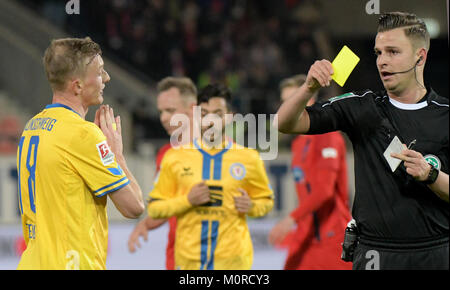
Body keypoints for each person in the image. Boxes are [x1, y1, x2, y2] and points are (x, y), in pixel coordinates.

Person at [275, 12, 449, 270]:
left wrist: (431, 174)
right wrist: (309, 88)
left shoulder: (445, 113)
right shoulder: (360, 105)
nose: (382, 62)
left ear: (420, 56)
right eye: (379, 53)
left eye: (393, 52)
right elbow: (285, 123)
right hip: (375, 255)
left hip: (435, 254)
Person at [16, 37, 145, 270]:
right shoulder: (82, 135)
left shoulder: (31, 127)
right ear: (77, 86)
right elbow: (134, 206)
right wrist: (117, 155)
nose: (107, 78)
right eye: (100, 72)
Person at [147, 84, 274, 270]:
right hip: (189, 263)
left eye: (218, 114)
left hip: (233, 264)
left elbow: (267, 201)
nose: (210, 121)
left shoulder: (249, 158)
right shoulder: (175, 157)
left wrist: (252, 206)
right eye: (204, 113)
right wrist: (187, 200)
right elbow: (155, 208)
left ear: (230, 117)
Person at [268, 74, 352, 270]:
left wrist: (291, 218)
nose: (285, 106)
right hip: (308, 235)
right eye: (283, 101)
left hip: (331, 238)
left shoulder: (326, 134)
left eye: (291, 99)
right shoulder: (298, 143)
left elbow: (324, 190)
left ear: (309, 100)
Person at [127, 76, 197, 270]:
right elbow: (163, 206)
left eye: (170, 110)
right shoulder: (165, 154)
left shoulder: (220, 151)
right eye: (161, 111)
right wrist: (145, 224)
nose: (163, 117)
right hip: (176, 259)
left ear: (192, 109)